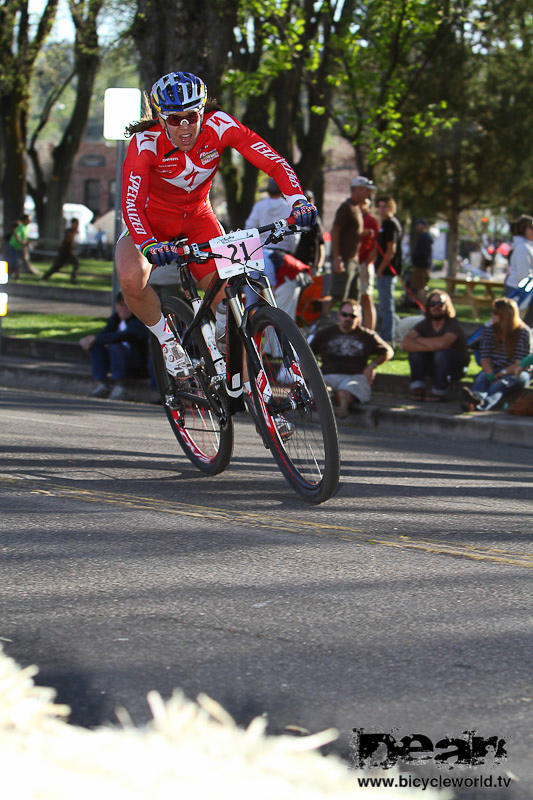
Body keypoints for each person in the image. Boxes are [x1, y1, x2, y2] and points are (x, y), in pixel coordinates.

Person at [115, 71, 316, 382]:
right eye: (174, 119)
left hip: (198, 218)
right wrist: (149, 245)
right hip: (152, 224)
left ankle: (254, 390)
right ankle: (168, 341)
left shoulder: (220, 125)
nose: (185, 126)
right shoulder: (145, 144)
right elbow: (131, 205)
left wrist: (298, 202)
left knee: (234, 294)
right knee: (130, 278)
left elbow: (273, 161)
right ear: (161, 118)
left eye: (192, 116)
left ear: (202, 112)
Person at [310, 298, 393, 418]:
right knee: (323, 389)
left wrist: (372, 366)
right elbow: (306, 353)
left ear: (359, 317)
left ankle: (342, 409)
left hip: (355, 377)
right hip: (328, 376)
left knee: (346, 392)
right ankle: (329, 410)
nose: (348, 319)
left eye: (352, 316)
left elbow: (388, 351)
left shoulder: (367, 335)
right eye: (345, 315)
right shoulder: (325, 334)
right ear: (339, 315)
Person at [461, 297, 531, 412]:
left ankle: (482, 404)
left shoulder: (523, 333)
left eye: (495, 312)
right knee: (482, 378)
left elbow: (520, 364)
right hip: (495, 369)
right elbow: (485, 357)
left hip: (518, 372)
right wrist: (490, 373)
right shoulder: (489, 330)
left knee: (499, 385)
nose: (492, 315)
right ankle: (473, 400)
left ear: (505, 316)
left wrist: (500, 374)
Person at [402, 290, 470, 402]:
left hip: (454, 368)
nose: (436, 307)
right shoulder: (424, 324)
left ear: (446, 306)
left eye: (440, 304)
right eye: (432, 304)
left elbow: (443, 344)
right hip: (432, 366)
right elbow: (405, 343)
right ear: (428, 307)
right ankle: (418, 388)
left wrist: (419, 340)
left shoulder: (453, 325)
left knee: (441, 353)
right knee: (415, 353)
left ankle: (439, 391)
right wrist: (432, 346)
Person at [79, 292, 149, 400]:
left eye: (127, 306)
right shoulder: (115, 319)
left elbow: (123, 336)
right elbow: (105, 334)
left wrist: (96, 338)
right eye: (121, 305)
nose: (123, 309)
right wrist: (91, 340)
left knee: (115, 347)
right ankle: (102, 383)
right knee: (96, 347)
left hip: (135, 363)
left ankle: (120, 386)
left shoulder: (139, 321)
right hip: (116, 360)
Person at [327, 176, 377, 311]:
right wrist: (337, 257)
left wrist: (363, 232)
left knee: (354, 296)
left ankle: (351, 325)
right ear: (358, 190)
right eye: (366, 190)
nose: (368, 194)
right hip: (344, 259)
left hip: (354, 259)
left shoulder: (357, 208)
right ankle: (321, 324)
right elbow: (335, 231)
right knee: (337, 295)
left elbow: (351, 231)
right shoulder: (346, 207)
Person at [375, 194, 402, 344]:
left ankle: (387, 337)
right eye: (380, 206)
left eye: (385, 206)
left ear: (391, 207)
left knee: (386, 305)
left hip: (387, 271)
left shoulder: (390, 224)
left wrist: (381, 268)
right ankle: (387, 333)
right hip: (384, 269)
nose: (382, 209)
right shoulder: (384, 224)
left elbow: (391, 249)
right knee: (385, 303)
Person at [355, 196, 379, 329]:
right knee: (355, 298)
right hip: (355, 262)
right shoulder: (355, 217)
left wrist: (369, 260)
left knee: (366, 297)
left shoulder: (371, 220)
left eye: (364, 203)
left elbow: (377, 244)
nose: (361, 205)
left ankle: (370, 329)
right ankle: (357, 326)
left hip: (364, 263)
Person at [41, 218, 80, 283]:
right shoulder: (69, 231)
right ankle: (44, 277)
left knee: (76, 264)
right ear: (73, 223)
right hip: (65, 251)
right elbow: (67, 241)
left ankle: (73, 279)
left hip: (69, 251)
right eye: (76, 223)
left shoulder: (74, 231)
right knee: (57, 266)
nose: (76, 225)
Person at [506, 215, 533, 298]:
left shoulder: (527, 246)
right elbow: (523, 274)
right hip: (518, 290)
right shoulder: (522, 247)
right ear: (523, 229)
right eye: (531, 228)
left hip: (523, 288)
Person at [409, 218, 433, 303]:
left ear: (424, 226)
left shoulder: (425, 237)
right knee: (419, 287)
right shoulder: (423, 237)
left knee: (421, 287)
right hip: (420, 265)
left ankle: (424, 307)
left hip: (422, 266)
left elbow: (424, 252)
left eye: (419, 225)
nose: (417, 227)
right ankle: (422, 306)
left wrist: (415, 255)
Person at [7, 214, 32, 279]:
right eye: (29, 219)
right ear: (25, 220)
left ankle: (16, 277)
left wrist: (26, 243)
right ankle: (9, 276)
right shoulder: (21, 227)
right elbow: (16, 235)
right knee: (14, 262)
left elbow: (25, 237)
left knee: (19, 262)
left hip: (20, 247)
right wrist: (22, 242)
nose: (30, 220)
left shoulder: (27, 227)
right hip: (13, 246)